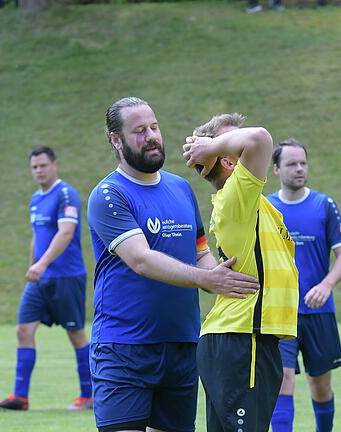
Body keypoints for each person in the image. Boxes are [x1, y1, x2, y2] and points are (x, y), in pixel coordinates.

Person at [87, 97, 259, 432]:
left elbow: (199, 252)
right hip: (124, 347)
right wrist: (209, 280)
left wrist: (229, 277)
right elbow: (141, 259)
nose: (151, 136)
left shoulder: (180, 188)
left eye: (154, 127)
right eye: (138, 131)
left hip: (182, 346)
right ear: (116, 140)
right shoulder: (108, 195)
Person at [182, 113, 298, 432]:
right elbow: (259, 139)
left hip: (246, 341)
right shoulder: (236, 197)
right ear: (229, 161)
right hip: (241, 341)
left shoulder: (254, 203)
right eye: (234, 140)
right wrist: (211, 147)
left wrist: (213, 147)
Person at [0, 146, 93, 411]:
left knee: (76, 334)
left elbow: (66, 233)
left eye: (43, 165)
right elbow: (37, 234)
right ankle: (20, 398)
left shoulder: (66, 194)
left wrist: (43, 263)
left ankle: (89, 396)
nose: (39, 171)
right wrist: (32, 265)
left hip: (66, 277)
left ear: (54, 165)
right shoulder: (36, 198)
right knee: (23, 331)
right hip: (40, 279)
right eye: (34, 167)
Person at [266, 138, 341, 432]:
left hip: (319, 312)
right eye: (292, 164)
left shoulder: (324, 205)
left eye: (303, 163)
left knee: (321, 384)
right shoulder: (265, 208)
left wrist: (326, 285)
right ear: (276, 169)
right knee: (282, 380)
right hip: (281, 313)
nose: (299, 169)